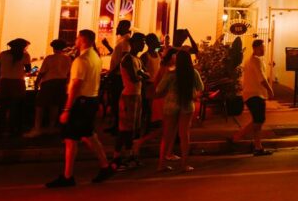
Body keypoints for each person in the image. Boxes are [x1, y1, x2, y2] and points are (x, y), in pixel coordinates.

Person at [46, 30, 116, 188]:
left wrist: (67, 109)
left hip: (80, 102)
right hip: (91, 99)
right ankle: (102, 167)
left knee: (72, 139)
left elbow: (76, 85)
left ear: (83, 40)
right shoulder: (96, 58)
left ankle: (68, 176)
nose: (76, 40)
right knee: (87, 135)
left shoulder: (81, 60)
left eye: (78, 38)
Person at [156, 50, 204, 172]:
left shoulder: (171, 74)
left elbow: (159, 89)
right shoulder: (193, 73)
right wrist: (193, 95)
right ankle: (184, 165)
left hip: (170, 105)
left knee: (167, 136)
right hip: (186, 105)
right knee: (184, 135)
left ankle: (161, 165)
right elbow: (201, 89)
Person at [230, 39, 275, 156]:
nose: (264, 50)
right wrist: (270, 90)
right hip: (255, 94)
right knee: (259, 120)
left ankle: (257, 146)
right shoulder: (256, 61)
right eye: (262, 48)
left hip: (250, 94)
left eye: (264, 48)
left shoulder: (249, 60)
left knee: (258, 120)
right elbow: (262, 78)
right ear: (255, 48)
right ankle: (237, 137)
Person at [113, 34, 148, 169]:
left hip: (136, 95)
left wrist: (142, 74)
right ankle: (117, 157)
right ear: (133, 43)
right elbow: (135, 77)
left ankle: (130, 155)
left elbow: (144, 74)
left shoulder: (137, 59)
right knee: (124, 129)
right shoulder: (127, 59)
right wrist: (143, 75)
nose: (143, 45)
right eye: (141, 42)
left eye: (144, 42)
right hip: (128, 96)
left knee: (134, 128)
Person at [30, 39, 71, 137]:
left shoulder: (49, 58)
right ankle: (51, 127)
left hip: (48, 82)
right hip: (61, 83)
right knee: (55, 105)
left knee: (40, 105)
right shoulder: (68, 58)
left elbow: (42, 72)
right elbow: (69, 72)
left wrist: (36, 82)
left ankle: (37, 128)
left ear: (53, 48)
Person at [0, 38, 33, 138]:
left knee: (2, 107)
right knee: (16, 107)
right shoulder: (25, 55)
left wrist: (1, 74)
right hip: (18, 83)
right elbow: (28, 69)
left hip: (4, 82)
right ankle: (14, 130)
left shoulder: (3, 54)